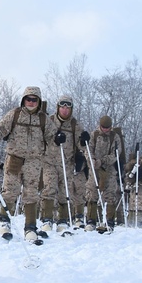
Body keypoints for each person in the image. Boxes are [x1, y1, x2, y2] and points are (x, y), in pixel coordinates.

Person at [0, 86, 47, 241]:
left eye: (34, 100)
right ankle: (4, 222)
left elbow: (52, 134)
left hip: (34, 161)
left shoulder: (43, 118)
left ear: (39, 101)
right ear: (23, 99)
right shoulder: (15, 114)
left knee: (31, 193)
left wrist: (58, 137)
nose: (31, 102)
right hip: (14, 159)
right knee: (10, 191)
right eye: (29, 99)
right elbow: (2, 127)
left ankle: (30, 227)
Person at [41, 95, 85, 233]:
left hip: (67, 163)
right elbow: (43, 137)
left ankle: (63, 219)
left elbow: (80, 142)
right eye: (62, 106)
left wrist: (83, 142)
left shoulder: (74, 124)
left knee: (65, 191)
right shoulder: (50, 121)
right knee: (49, 188)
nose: (65, 110)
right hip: (50, 161)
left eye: (68, 107)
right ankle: (47, 218)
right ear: (58, 107)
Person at [83, 115, 125, 232]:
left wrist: (103, 161)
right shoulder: (94, 135)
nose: (105, 130)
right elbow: (88, 149)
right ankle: (91, 220)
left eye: (108, 127)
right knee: (92, 192)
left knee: (110, 193)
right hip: (94, 168)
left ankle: (110, 220)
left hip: (109, 168)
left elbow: (116, 153)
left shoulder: (115, 137)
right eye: (103, 127)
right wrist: (91, 160)